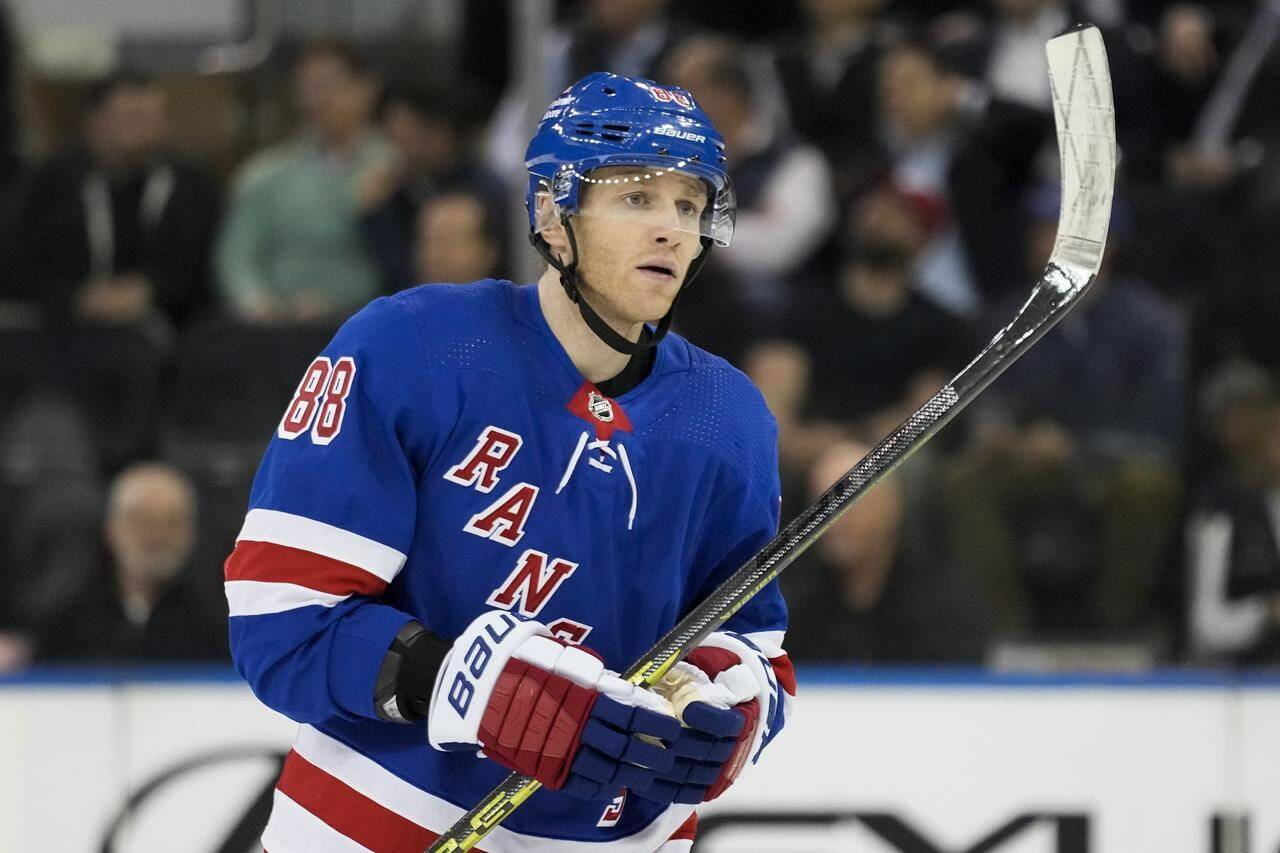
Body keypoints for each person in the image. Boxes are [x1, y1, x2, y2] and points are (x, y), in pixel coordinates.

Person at [225, 72, 796, 851]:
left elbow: (752, 642)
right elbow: (284, 621)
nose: (672, 228)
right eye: (637, 198)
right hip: (381, 823)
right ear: (551, 214)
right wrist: (479, 690)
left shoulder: (730, 418)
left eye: (690, 205)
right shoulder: (412, 347)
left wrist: (724, 706)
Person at [8, 73, 221, 330]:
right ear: (94, 123)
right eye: (132, 119)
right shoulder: (49, 184)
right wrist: (78, 298)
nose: (145, 132)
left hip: (168, 328)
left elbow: (205, 266)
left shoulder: (191, 185)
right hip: (62, 328)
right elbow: (17, 265)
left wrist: (150, 291)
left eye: (153, 119)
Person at [216, 40, 395, 324]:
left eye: (328, 84)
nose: (316, 98)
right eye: (307, 86)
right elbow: (237, 255)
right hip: (272, 322)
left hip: (362, 321)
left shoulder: (395, 169)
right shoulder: (264, 174)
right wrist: (256, 302)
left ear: (366, 89)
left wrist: (336, 301)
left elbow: (396, 264)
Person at [34, 462, 228, 663]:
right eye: (141, 520)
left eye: (172, 522)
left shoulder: (217, 627)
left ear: (192, 533)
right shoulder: (66, 625)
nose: (157, 535)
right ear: (111, 527)